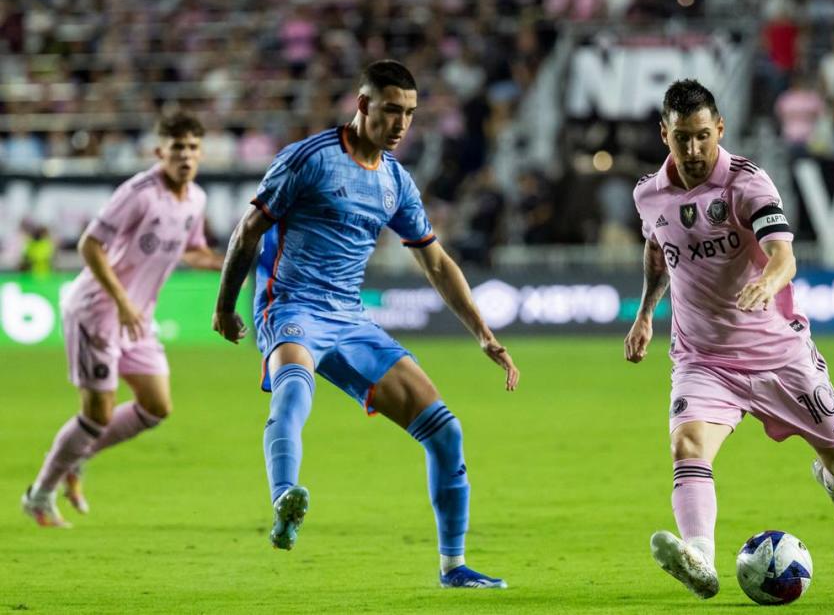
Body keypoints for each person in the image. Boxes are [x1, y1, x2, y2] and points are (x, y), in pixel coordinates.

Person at [212, 60, 519, 589]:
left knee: (445, 431)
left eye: (410, 114)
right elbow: (247, 232)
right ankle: (285, 498)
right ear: (362, 105)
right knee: (291, 395)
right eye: (391, 111)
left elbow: (437, 262)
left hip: (350, 319)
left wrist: (484, 333)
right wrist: (224, 306)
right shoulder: (308, 159)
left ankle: (454, 567)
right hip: (290, 306)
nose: (401, 124)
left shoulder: (396, 181)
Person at [624, 80, 834, 600]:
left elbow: (784, 255)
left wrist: (768, 282)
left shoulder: (748, 183)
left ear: (720, 130)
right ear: (663, 134)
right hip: (703, 358)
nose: (692, 151)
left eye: (701, 137)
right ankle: (700, 557)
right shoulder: (648, 194)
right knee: (687, 445)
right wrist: (646, 313)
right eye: (680, 139)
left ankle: (831, 479)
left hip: (778, 355)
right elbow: (656, 250)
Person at [22, 112, 223, 527]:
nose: (184, 156)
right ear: (159, 152)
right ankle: (39, 495)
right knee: (96, 414)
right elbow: (89, 245)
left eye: (191, 148)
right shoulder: (139, 193)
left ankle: (79, 455)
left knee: (156, 405)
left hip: (137, 317)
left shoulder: (197, 199)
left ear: (200, 154)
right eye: (177, 148)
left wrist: (236, 261)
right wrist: (122, 301)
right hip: (97, 310)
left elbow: (195, 250)